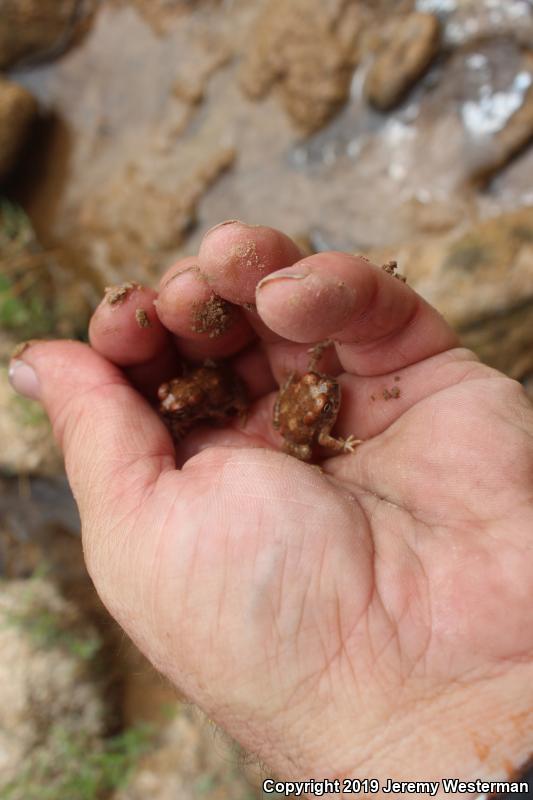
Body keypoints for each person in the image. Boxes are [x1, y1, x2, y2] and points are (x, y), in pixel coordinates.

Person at [8, 221, 533, 795]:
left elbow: (313, 416)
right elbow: (310, 429)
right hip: (288, 430)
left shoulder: (323, 416)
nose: (327, 395)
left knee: (263, 290)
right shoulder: (307, 432)